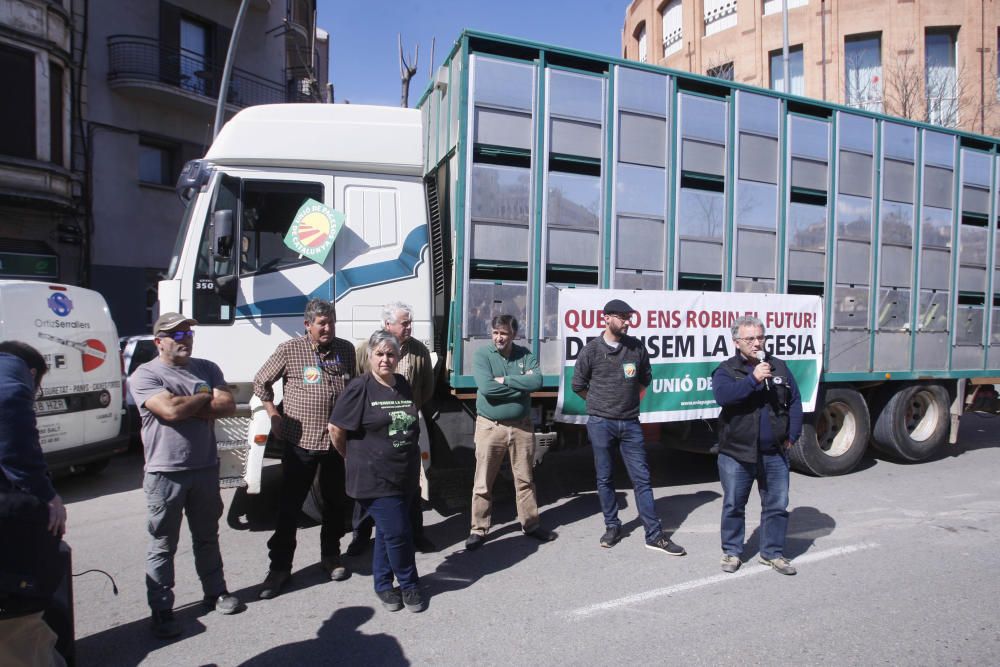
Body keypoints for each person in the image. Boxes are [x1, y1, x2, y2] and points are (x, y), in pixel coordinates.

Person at [128, 313, 240, 639]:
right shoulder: (145, 374)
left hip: (204, 467)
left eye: (187, 332)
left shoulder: (206, 368)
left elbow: (229, 405)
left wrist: (186, 400)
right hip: (166, 472)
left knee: (207, 536)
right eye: (175, 333)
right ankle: (162, 610)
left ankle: (216, 592)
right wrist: (204, 397)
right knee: (163, 544)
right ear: (158, 341)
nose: (184, 338)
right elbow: (170, 412)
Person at [253, 299, 356, 599]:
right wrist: (273, 414)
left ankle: (331, 557)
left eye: (331, 322)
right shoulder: (290, 350)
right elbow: (261, 382)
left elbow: (352, 388)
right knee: (290, 508)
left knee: (336, 503)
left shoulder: (345, 350)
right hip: (301, 444)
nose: (328, 328)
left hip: (336, 443)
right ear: (307, 325)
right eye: (322, 323)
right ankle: (280, 568)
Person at [571, 299, 686, 555]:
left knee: (642, 478)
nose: (627, 321)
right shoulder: (591, 350)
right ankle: (612, 526)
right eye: (622, 317)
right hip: (601, 423)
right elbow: (577, 384)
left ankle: (654, 535)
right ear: (606, 318)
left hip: (631, 423)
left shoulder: (636, 348)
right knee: (605, 477)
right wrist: (600, 403)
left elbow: (645, 379)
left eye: (629, 317)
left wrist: (629, 403)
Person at [328, 330, 426, 613]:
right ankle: (409, 585)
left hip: (404, 473)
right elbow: (336, 428)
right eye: (380, 354)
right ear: (370, 356)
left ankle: (383, 583)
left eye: (391, 354)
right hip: (373, 475)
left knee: (385, 532)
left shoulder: (403, 384)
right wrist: (350, 456)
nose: (386, 359)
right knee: (398, 532)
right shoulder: (360, 386)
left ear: (398, 357)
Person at [711, 315, 802, 576]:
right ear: (737, 341)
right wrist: (753, 379)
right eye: (750, 338)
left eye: (760, 337)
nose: (756, 343)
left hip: (774, 452)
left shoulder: (779, 367)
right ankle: (732, 551)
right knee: (734, 504)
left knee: (777, 504)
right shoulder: (727, 370)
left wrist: (792, 435)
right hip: (737, 453)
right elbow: (724, 397)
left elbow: (794, 402)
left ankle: (772, 553)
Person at [348, 302, 435, 556]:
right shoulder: (366, 348)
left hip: (405, 426)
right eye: (404, 322)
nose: (409, 327)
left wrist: (410, 411)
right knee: (370, 485)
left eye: (410, 322)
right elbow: (356, 382)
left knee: (410, 482)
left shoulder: (419, 350)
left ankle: (416, 534)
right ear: (388, 325)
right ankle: (361, 537)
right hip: (372, 428)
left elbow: (426, 387)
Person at [0, 341, 67, 666]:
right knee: (22, 638)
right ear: (31, 372)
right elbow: (9, 409)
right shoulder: (11, 376)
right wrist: (45, 493)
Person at [465, 315, 556, 550]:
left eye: (503, 333)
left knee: (525, 478)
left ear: (514, 335)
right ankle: (478, 529)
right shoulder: (482, 355)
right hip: (490, 426)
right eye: (495, 332)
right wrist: (519, 388)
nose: (498, 337)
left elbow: (536, 382)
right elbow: (486, 388)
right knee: (483, 480)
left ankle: (531, 524)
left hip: (521, 426)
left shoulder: (525, 355)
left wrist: (504, 380)